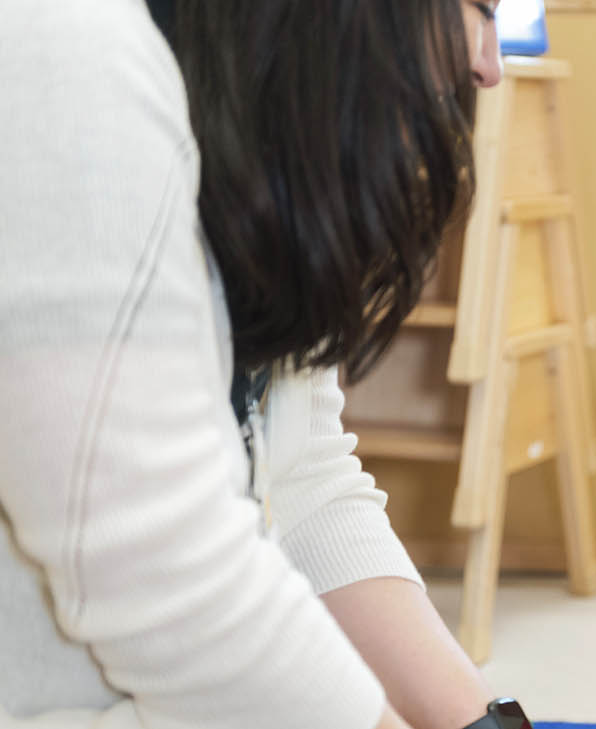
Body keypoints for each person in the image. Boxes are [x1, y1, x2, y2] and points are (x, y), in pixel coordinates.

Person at [0, 1, 520, 728]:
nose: (488, 65)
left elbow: (303, 474)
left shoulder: (253, 126)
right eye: (483, 8)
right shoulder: (65, 59)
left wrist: (483, 722)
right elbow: (168, 579)